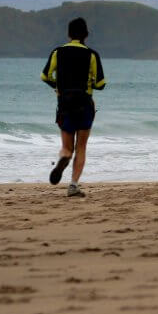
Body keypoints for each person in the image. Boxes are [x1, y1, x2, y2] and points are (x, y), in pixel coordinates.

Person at [40, 17, 106, 197]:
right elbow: (101, 83)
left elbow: (45, 76)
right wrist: (90, 82)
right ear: (86, 34)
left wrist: (57, 86)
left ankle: (63, 158)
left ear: (69, 34)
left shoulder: (58, 52)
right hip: (85, 105)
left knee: (68, 147)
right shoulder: (92, 54)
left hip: (64, 104)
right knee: (81, 148)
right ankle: (73, 185)